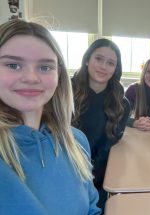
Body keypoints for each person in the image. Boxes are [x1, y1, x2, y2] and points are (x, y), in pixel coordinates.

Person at [0, 20, 100, 215]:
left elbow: (91, 209)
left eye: (45, 67)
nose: (31, 77)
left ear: (58, 76)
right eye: (13, 65)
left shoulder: (76, 141)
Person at [72, 38, 130, 210]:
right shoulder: (65, 92)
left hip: (98, 177)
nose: (103, 66)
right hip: (63, 170)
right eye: (98, 59)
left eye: (110, 63)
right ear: (87, 59)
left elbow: (107, 147)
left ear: (115, 69)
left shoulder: (122, 104)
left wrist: (90, 177)